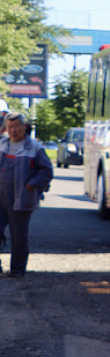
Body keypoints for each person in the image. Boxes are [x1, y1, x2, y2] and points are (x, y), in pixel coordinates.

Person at [0, 112, 53, 277]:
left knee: (19, 236)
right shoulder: (1, 144)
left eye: (17, 126)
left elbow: (46, 171)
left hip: (21, 198)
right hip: (0, 198)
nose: (13, 130)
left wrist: (33, 184)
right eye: (10, 127)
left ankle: (17, 270)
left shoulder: (35, 147)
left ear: (24, 127)